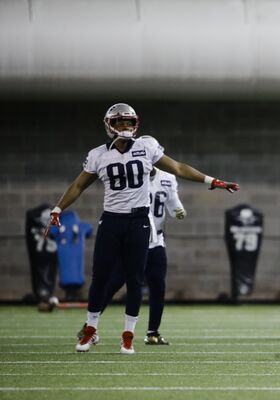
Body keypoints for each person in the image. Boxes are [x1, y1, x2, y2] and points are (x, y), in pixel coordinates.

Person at [45, 103, 239, 354]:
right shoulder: (98, 155)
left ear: (135, 124)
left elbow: (178, 167)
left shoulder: (147, 146)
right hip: (111, 220)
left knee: (135, 279)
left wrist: (212, 181)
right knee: (101, 277)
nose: (125, 126)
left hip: (139, 221)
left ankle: (129, 335)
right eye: (119, 122)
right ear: (109, 125)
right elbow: (78, 185)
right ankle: (90, 331)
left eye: (129, 122)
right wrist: (58, 208)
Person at [77, 167, 186, 345]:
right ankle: (89, 326)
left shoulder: (168, 178)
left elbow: (174, 206)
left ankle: (153, 332)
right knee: (113, 284)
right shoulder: (131, 173)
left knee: (158, 286)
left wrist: (178, 211)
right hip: (134, 240)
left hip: (156, 239)